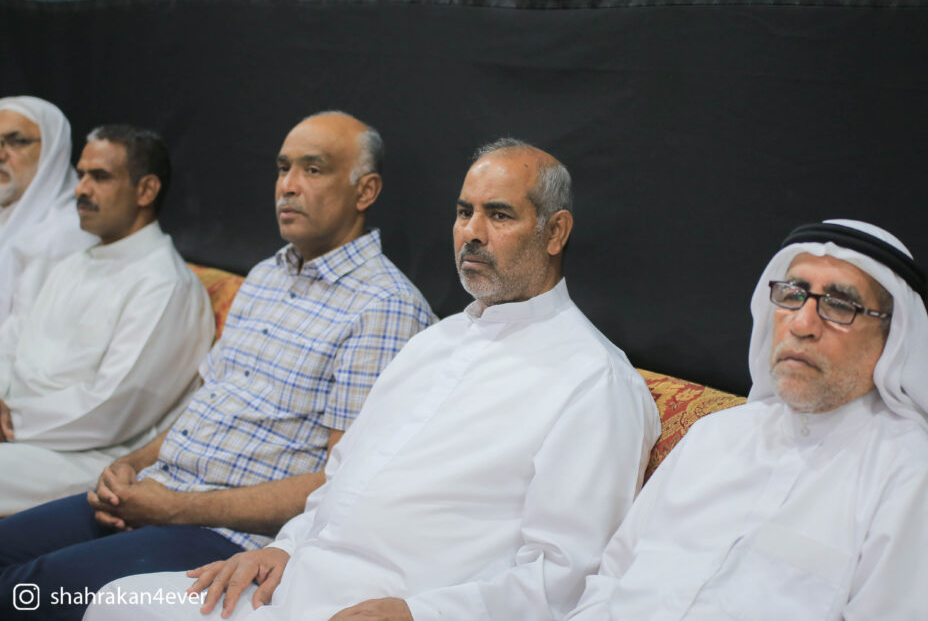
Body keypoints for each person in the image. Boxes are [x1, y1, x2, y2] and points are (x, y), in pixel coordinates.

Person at [85, 138, 661, 621]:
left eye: (500, 215)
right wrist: (283, 548)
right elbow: (341, 480)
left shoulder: (594, 382)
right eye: (464, 212)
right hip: (291, 581)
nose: (472, 232)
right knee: (117, 603)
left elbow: (565, 577)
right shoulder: (435, 342)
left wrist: (419, 613)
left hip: (398, 609)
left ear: (555, 232)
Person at [0, 111, 436, 621]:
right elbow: (204, 408)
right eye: (283, 168)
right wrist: (131, 466)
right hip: (159, 490)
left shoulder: (384, 306)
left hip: (226, 533)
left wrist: (175, 508)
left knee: (27, 593)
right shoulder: (267, 275)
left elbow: (338, 483)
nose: (288, 186)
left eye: (313, 170)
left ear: (365, 191)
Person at [566, 219, 928, 621]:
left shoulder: (917, 481)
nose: (802, 324)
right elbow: (610, 580)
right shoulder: (715, 435)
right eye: (792, 295)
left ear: (892, 339)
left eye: (839, 305)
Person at [0, 124, 214, 515]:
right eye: (81, 174)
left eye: (99, 177)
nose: (80, 189)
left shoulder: (165, 285)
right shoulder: (74, 263)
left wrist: (14, 419)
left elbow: (114, 407)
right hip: (21, 430)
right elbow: (11, 340)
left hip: (88, 455)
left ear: (146, 190)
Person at [0, 96, 95, 325]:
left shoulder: (69, 232)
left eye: (16, 142)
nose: (1, 155)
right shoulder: (7, 214)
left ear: (53, 149)